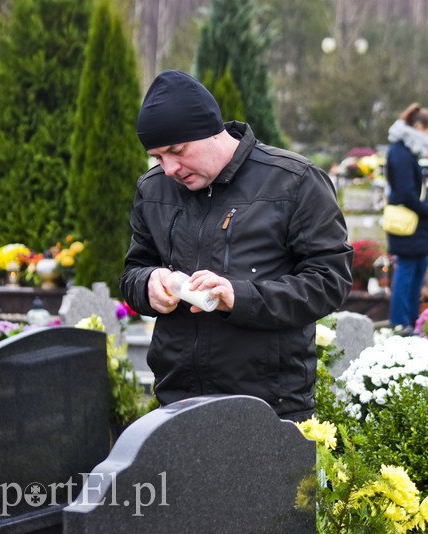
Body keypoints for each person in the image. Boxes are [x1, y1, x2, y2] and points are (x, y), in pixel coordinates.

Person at [120, 70, 353, 422]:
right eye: (158, 157)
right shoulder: (153, 190)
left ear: (213, 131)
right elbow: (132, 272)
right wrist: (147, 284)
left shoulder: (295, 181)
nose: (169, 169)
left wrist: (238, 297)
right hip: (178, 399)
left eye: (176, 151)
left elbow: (329, 280)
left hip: (270, 404)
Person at [385, 103, 428, 335]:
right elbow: (405, 192)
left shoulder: (405, 151)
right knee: (406, 270)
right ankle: (401, 322)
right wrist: (426, 210)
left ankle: (411, 321)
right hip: (409, 222)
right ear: (417, 127)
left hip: (414, 224)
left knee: (416, 268)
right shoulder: (401, 153)